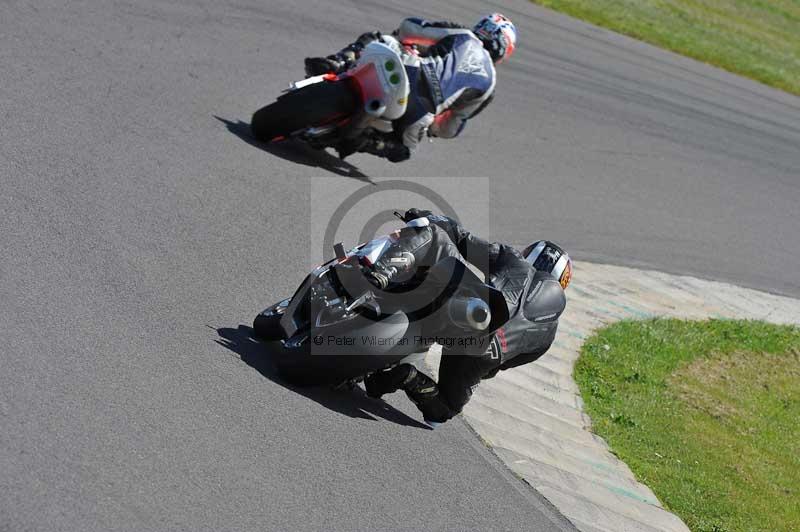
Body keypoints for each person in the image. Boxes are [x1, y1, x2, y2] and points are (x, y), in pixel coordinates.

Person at [362, 209, 572, 425]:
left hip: (471, 306)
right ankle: (409, 377)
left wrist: (428, 216)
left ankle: (381, 273)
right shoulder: (548, 336)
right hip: (483, 354)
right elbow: (498, 368)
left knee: (435, 235)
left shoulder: (515, 260)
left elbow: (462, 239)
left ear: (530, 255)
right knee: (445, 408)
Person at [304, 14, 517, 162]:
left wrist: (406, 42)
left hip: (408, 70)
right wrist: (432, 127)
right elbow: (451, 127)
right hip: (420, 112)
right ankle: (366, 142)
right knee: (402, 151)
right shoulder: (489, 86)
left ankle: (338, 61)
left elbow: (410, 28)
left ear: (482, 27)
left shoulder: (462, 34)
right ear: (505, 50)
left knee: (381, 39)